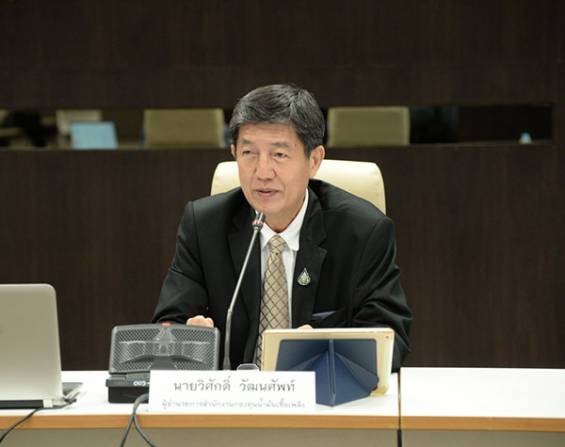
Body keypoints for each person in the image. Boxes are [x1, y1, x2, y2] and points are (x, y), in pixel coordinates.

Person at [153, 84, 412, 370]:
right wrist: (187, 340)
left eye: (279, 155)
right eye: (249, 153)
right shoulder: (204, 226)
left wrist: (330, 349)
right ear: (234, 153)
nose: (262, 172)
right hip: (233, 395)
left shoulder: (362, 232)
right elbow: (166, 329)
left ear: (314, 160)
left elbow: (390, 339)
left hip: (320, 392)